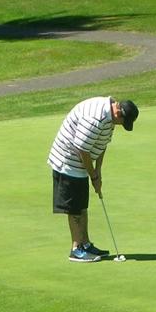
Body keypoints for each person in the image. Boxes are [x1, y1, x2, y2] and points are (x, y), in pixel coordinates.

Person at [48, 97, 139, 262]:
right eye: (122, 122)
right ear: (119, 113)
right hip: (67, 160)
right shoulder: (94, 118)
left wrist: (98, 171)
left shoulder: (110, 118)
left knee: (82, 204)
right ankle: (76, 249)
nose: (120, 125)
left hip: (80, 161)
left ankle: (86, 244)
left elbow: (102, 145)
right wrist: (93, 175)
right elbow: (82, 149)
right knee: (74, 207)